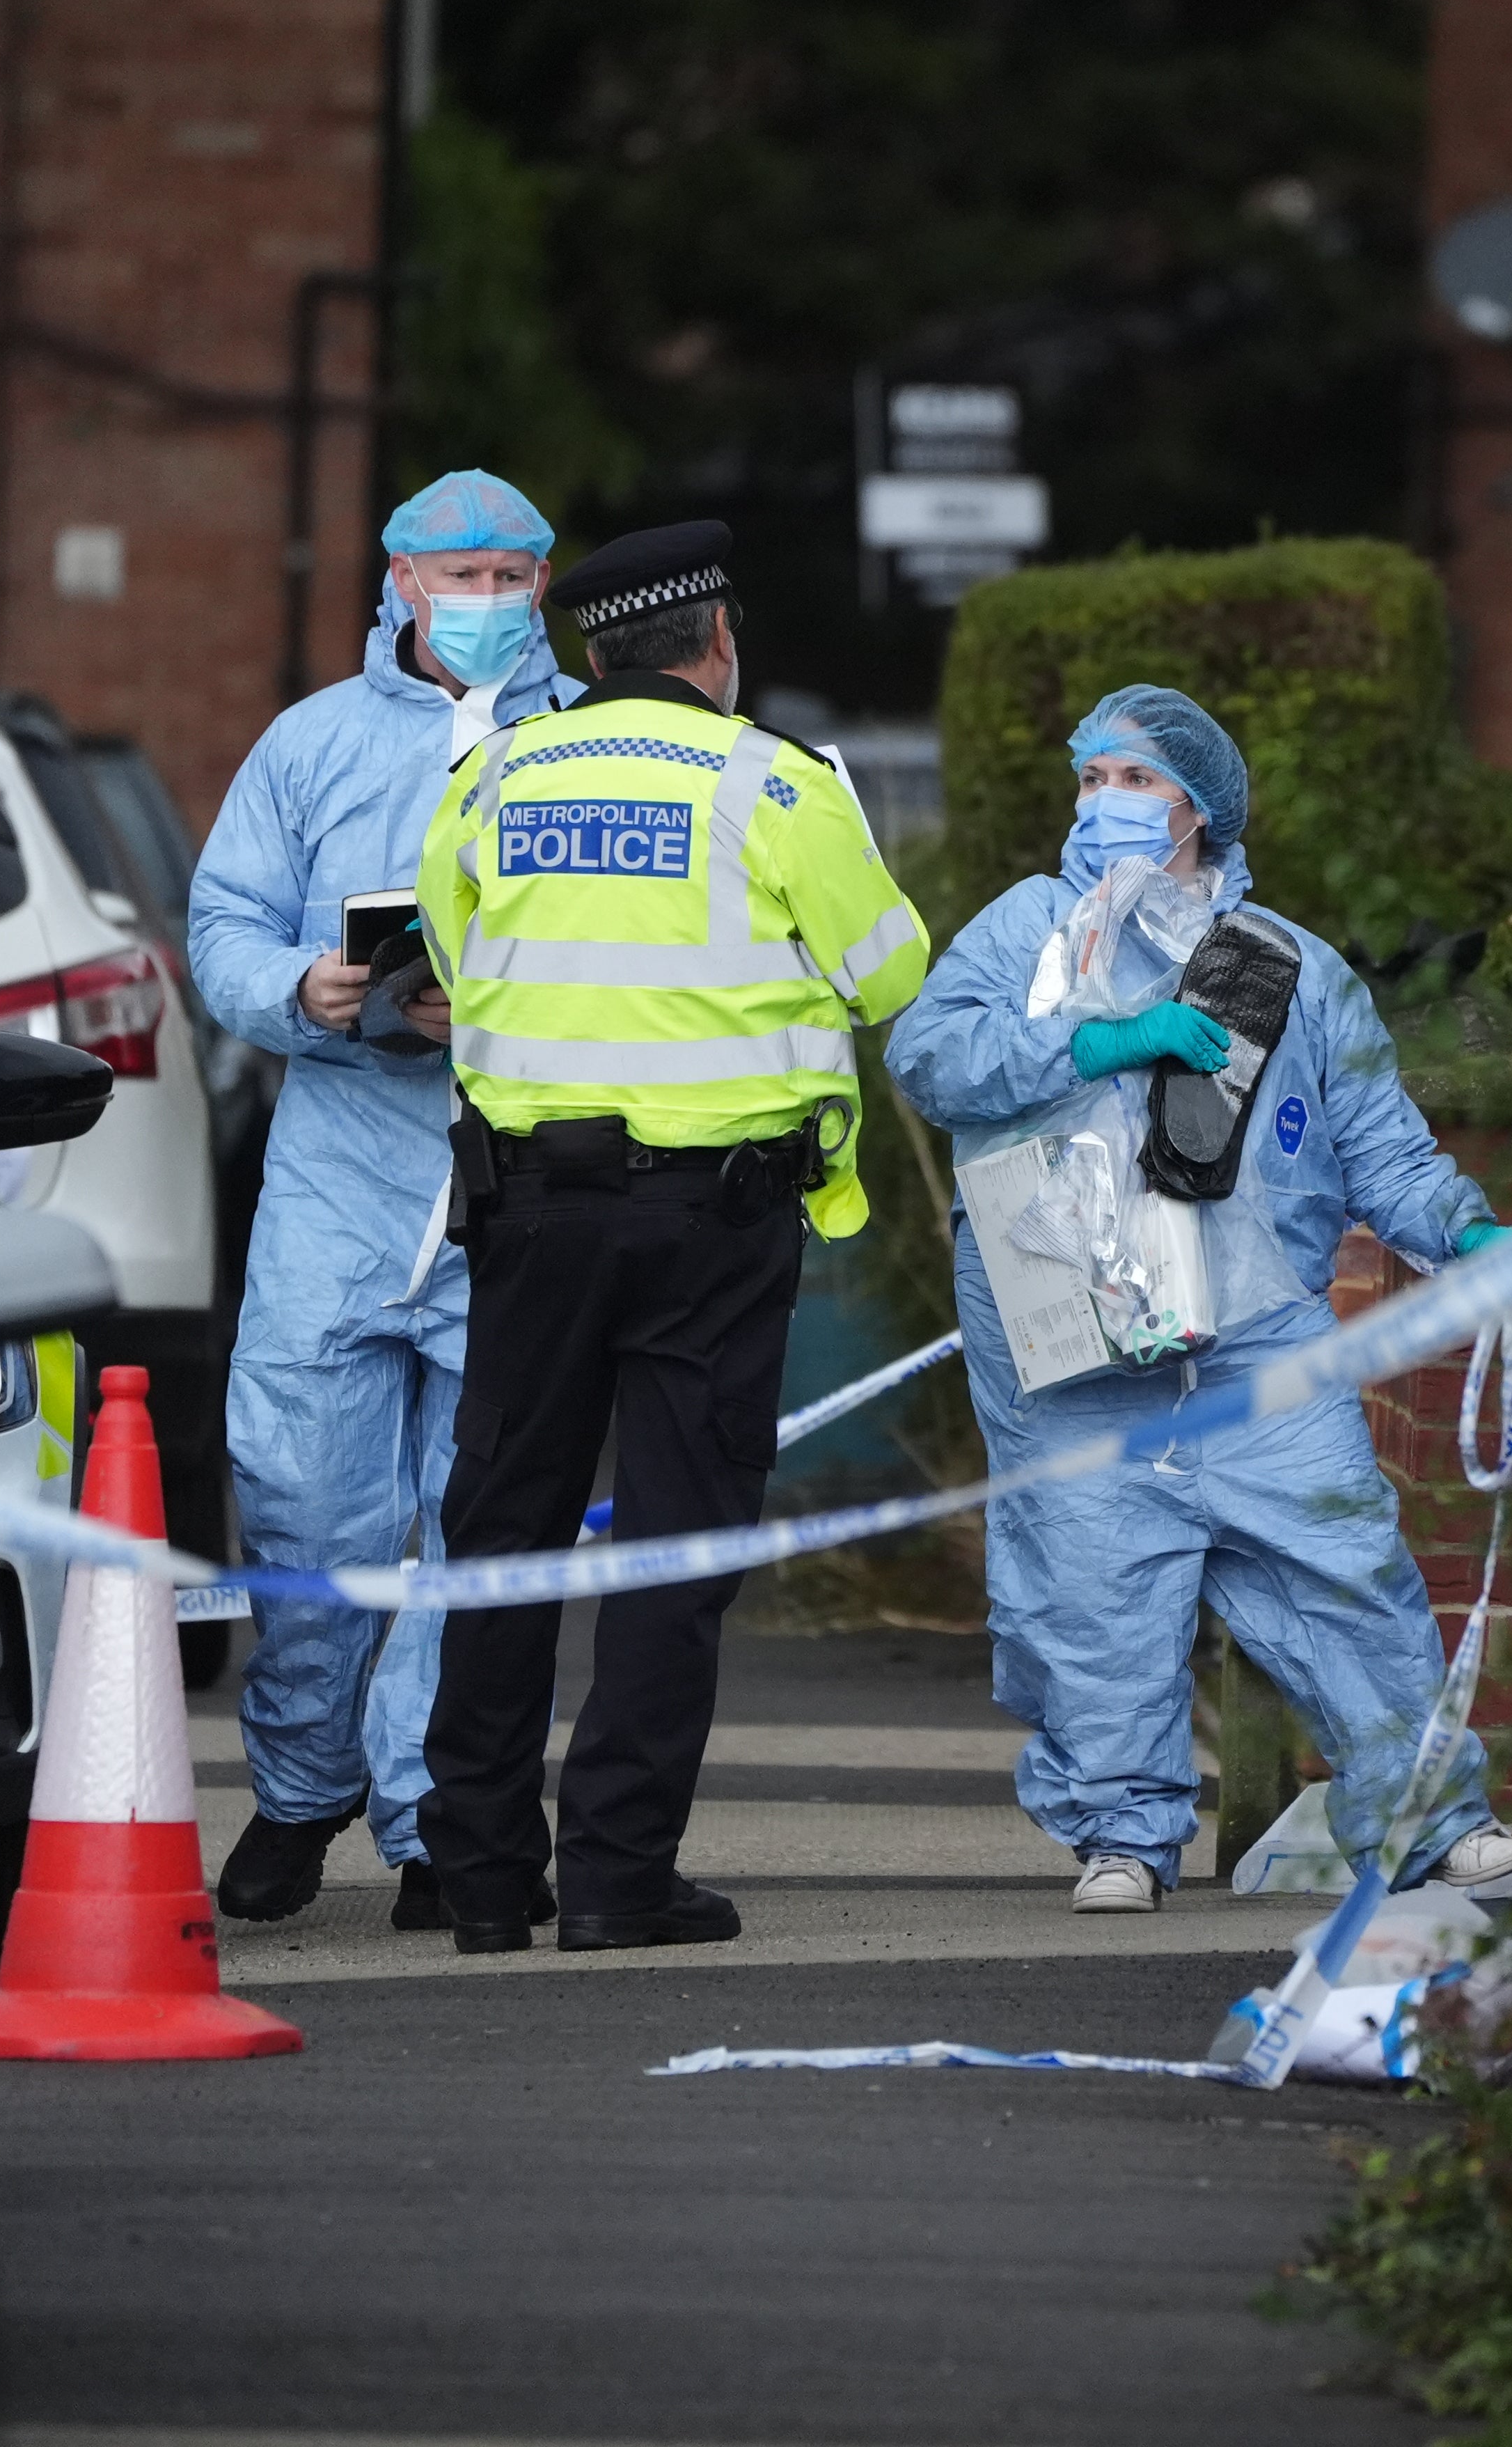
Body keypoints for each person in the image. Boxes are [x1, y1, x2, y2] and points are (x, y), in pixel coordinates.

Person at [884, 684, 1512, 1916]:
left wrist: (1464, 1229)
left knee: (1350, 1575)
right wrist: (1092, 1041)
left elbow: (1376, 1144)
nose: (1103, 804)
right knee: (1094, 1604)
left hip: (1259, 1351)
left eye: (1132, 782)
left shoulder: (1293, 969)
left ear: (1200, 808)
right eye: (1089, 781)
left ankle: (1429, 1821)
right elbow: (928, 1056)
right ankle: (1124, 1839)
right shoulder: (1026, 931)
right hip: (1072, 1346)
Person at [408, 520, 931, 1954]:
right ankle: (620, 1875)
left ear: (590, 654)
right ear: (715, 646)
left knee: (502, 1526)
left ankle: (482, 1875)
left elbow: (451, 954)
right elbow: (892, 972)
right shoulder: (777, 781)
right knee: (672, 1540)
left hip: (528, 1213)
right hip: (713, 1220)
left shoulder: (493, 773)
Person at [185, 468, 578, 1931]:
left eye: (510, 573)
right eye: (454, 573)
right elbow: (224, 921)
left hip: (523, 1175)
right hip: (342, 1170)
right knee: (302, 1505)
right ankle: (301, 1788)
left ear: (546, 585)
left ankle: (436, 1823)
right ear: (399, 584)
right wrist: (311, 990)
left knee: (474, 1524)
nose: (482, 599)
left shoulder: (584, 749)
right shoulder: (312, 745)